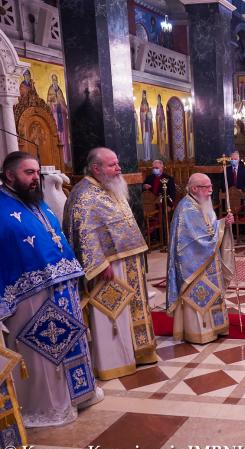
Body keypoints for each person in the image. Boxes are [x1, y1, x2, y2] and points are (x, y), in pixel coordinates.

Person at [0, 151, 100, 427]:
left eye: (36, 172)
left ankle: (78, 395)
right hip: (29, 298)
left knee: (70, 342)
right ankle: (48, 407)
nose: (35, 178)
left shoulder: (36, 202)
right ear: (9, 175)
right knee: (44, 351)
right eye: (28, 173)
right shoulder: (2, 209)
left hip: (62, 289)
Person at [63, 147, 158, 380]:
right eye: (112, 165)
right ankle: (115, 361)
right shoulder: (83, 194)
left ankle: (137, 353)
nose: (118, 168)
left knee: (132, 311)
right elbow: (83, 233)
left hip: (128, 261)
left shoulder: (110, 186)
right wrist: (99, 263)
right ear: (96, 168)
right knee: (112, 314)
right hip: (107, 268)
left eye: (117, 163)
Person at [166, 174, 235, 343]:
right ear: (195, 189)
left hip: (208, 262)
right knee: (198, 297)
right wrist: (220, 227)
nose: (211, 190)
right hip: (194, 266)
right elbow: (195, 240)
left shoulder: (201, 204)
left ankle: (216, 328)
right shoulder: (186, 209)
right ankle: (198, 333)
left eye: (211, 186)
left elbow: (208, 229)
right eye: (206, 187)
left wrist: (223, 223)